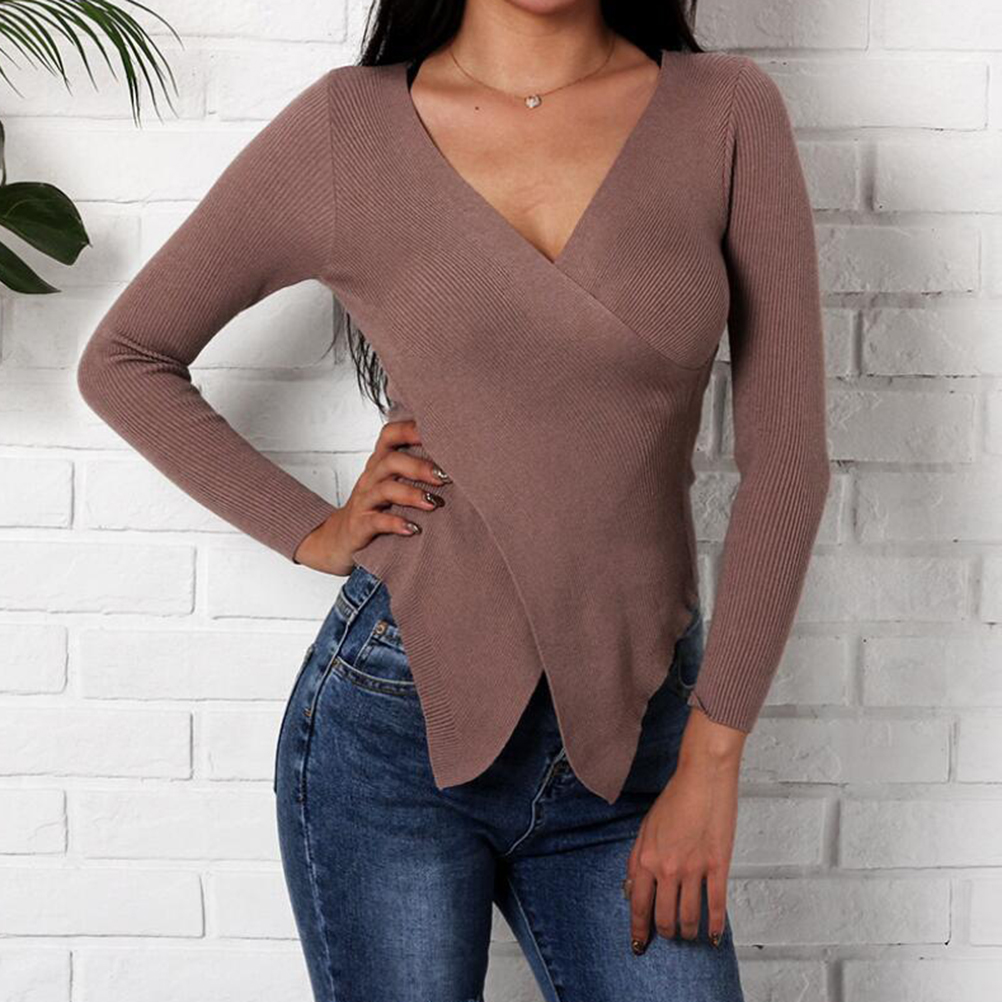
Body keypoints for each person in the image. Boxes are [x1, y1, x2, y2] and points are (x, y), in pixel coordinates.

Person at [76, 2, 831, 1000]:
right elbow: (126, 358)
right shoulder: (349, 129)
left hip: (637, 735)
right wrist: (313, 529)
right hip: (392, 728)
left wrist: (712, 761)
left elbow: (789, 462)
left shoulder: (726, 112)